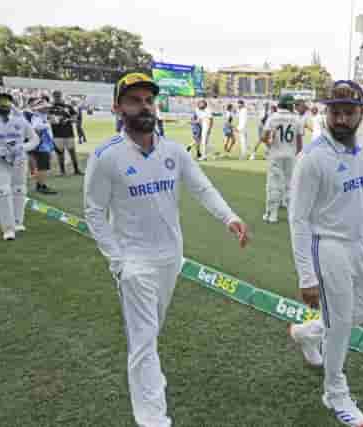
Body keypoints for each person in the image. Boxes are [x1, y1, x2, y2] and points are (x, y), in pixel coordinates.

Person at [84, 72, 249, 427]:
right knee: (143, 341)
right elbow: (94, 212)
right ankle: (152, 417)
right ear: (118, 108)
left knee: (150, 331)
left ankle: (149, 382)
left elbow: (202, 187)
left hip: (171, 258)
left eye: (148, 100)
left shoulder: (173, 151)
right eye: (134, 100)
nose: (144, 107)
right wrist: (118, 262)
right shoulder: (106, 156)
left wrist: (229, 217)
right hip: (134, 262)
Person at [288, 80, 363, 427]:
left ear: (361, 114)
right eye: (336, 111)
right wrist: (306, 276)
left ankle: (308, 333)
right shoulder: (313, 158)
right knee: (341, 319)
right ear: (327, 113)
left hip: (360, 241)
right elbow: (298, 219)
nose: (342, 118)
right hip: (327, 244)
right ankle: (335, 392)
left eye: (349, 111)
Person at [0, 92, 39, 240]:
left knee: (19, 189)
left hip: (19, 160)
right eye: (0, 102)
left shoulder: (21, 121)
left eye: (7, 102)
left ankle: (18, 222)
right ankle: (8, 228)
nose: (3, 105)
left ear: (11, 104)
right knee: (1, 191)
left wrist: (23, 147)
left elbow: (35, 139)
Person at [261, 94, 303, 223]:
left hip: (275, 154)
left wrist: (269, 144)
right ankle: (292, 214)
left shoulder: (273, 118)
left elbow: (264, 137)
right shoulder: (297, 119)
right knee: (290, 185)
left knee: (274, 184)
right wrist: (293, 153)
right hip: (290, 155)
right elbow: (300, 144)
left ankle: (272, 214)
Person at [28, 98, 59, 194]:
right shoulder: (37, 116)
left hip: (43, 144)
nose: (47, 109)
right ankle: (42, 186)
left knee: (43, 166)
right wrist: (48, 124)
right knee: (43, 167)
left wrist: (49, 121)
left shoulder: (43, 116)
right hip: (41, 145)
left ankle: (40, 184)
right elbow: (35, 127)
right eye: (44, 107)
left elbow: (55, 122)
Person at [49, 90, 83, 175]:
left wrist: (67, 120)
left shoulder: (68, 106)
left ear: (61, 96)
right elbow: (48, 119)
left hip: (69, 133)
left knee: (72, 152)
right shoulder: (50, 107)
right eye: (56, 96)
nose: (57, 98)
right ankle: (62, 171)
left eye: (59, 96)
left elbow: (75, 118)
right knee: (60, 153)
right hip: (57, 134)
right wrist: (55, 120)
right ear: (53, 97)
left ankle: (76, 169)